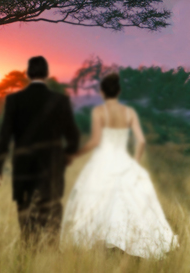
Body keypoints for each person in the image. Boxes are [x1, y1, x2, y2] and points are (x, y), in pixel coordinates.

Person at [60, 73, 178, 258]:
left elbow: (94, 141)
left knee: (98, 200)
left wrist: (74, 155)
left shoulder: (99, 111)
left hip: (103, 161)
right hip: (124, 161)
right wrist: (135, 163)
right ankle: (126, 244)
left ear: (102, 92)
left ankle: (107, 244)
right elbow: (140, 142)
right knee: (129, 201)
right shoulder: (129, 112)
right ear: (119, 91)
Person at [0, 56, 80, 245]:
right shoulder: (60, 101)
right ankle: (50, 255)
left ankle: (29, 255)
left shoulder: (14, 100)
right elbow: (73, 136)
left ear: (28, 74)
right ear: (47, 74)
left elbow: (5, 135)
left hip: (24, 168)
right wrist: (67, 156)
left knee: (26, 213)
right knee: (53, 211)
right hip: (53, 168)